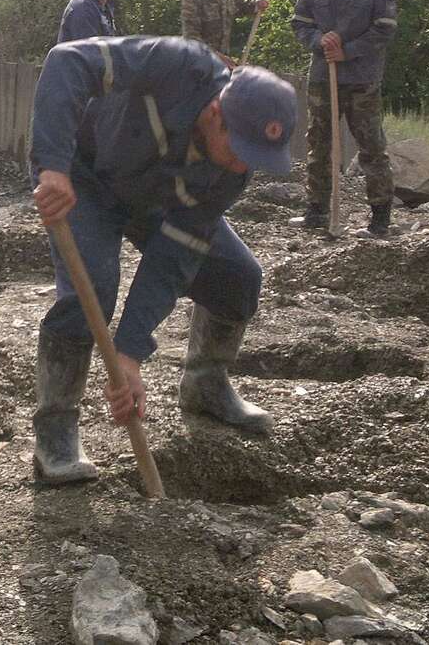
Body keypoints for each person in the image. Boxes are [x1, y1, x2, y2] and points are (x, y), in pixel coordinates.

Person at [28, 36, 295, 483]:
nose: (240, 168)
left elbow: (174, 256)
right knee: (91, 287)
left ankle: (205, 386)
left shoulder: (230, 175)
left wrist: (130, 353)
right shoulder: (175, 64)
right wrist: (51, 164)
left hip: (156, 199)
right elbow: (67, 60)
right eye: (239, 151)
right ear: (215, 114)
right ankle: (56, 429)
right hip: (85, 176)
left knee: (239, 277)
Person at [289, 0, 398, 236]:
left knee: (371, 145)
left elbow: (386, 27)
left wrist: (348, 50)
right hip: (324, 76)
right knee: (319, 142)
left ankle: (380, 217)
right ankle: (317, 210)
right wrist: (318, 41)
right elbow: (299, 22)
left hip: (362, 77)